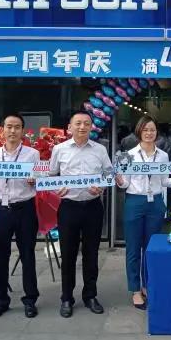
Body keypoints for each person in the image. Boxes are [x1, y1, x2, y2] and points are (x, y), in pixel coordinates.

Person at [49, 111, 125, 318]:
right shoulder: (59, 149)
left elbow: (108, 173)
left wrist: (102, 187)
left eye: (86, 123)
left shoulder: (100, 149)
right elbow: (51, 175)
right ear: (70, 127)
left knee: (91, 254)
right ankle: (66, 298)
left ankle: (90, 295)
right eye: (78, 123)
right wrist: (56, 189)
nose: (82, 127)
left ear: (91, 127)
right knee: (68, 254)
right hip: (69, 207)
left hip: (93, 207)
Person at [0, 114, 41, 319]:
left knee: (27, 254)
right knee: (1, 255)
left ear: (23, 131)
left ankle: (30, 300)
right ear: (2, 130)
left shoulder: (32, 154)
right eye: (9, 127)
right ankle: (1, 301)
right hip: (2, 209)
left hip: (25, 208)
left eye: (17, 127)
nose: (13, 131)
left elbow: (40, 180)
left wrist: (34, 180)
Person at [117, 116, 171, 310]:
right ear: (139, 131)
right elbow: (125, 184)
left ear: (156, 132)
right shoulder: (127, 155)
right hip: (135, 201)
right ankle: (135, 289)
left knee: (151, 247)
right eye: (145, 130)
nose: (149, 133)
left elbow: (164, 181)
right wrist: (119, 180)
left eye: (152, 129)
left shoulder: (163, 156)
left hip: (156, 203)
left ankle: (147, 285)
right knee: (133, 248)